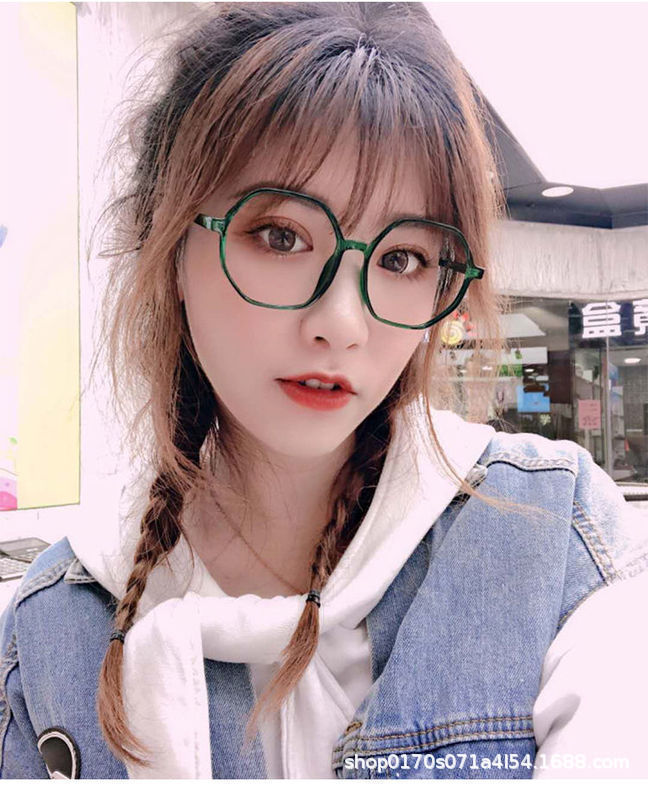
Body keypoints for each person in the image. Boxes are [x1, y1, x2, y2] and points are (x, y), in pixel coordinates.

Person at [1, 2, 647, 779]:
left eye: (403, 258)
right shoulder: (55, 626)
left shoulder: (553, 536)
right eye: (281, 236)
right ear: (169, 249)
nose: (342, 323)